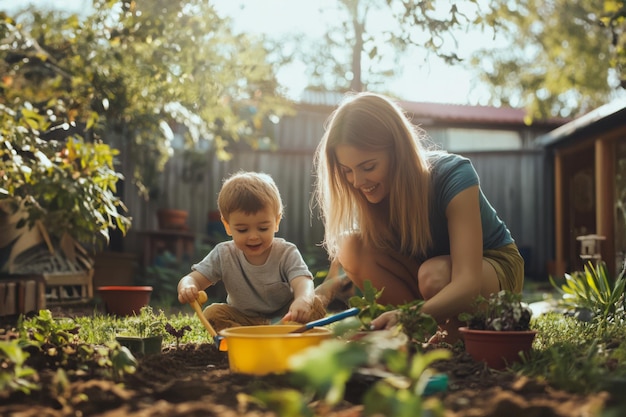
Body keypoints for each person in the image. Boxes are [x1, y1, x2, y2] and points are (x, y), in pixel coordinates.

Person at [313, 92, 524, 342]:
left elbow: (467, 283)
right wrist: (317, 297)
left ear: (398, 151)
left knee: (433, 274)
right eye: (347, 171)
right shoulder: (373, 191)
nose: (358, 182)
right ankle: (427, 330)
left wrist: (407, 316)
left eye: (368, 167)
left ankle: (450, 332)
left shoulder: (454, 175)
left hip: (490, 269)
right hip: (431, 278)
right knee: (351, 247)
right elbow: (342, 265)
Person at [177, 171, 325, 331]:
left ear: (276, 221)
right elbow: (194, 279)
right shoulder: (224, 254)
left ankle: (282, 335)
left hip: (285, 317)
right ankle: (247, 339)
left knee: (313, 304)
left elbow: (303, 281)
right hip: (244, 321)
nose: (253, 237)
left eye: (263, 228)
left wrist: (302, 300)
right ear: (227, 226)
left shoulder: (286, 252)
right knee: (212, 314)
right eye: (242, 230)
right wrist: (187, 286)